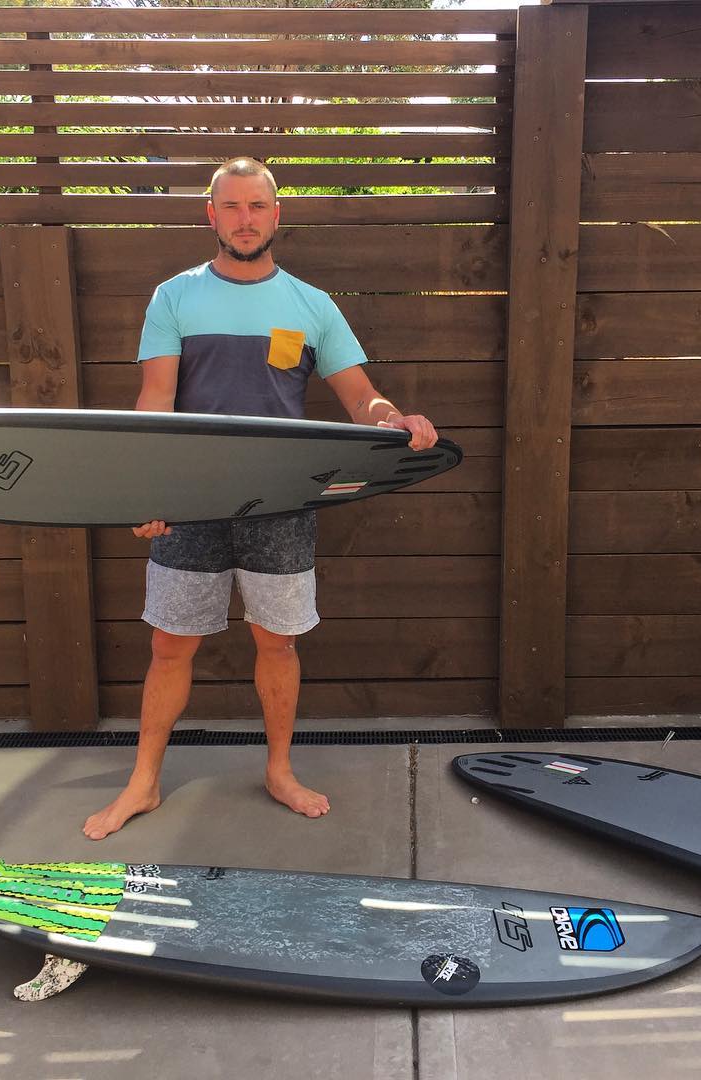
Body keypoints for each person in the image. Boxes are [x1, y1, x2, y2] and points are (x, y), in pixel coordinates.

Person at [83, 157, 439, 841]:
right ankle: (144, 783)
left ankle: (279, 770)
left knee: (276, 645)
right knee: (168, 647)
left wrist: (392, 417)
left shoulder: (311, 304)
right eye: (233, 206)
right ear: (210, 214)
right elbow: (155, 403)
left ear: (278, 215)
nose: (245, 219)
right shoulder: (174, 298)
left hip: (281, 504)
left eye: (258, 207)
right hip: (190, 503)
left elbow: (360, 396)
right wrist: (148, 489)